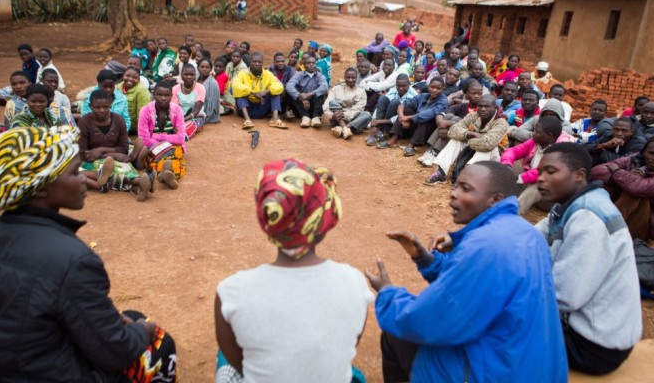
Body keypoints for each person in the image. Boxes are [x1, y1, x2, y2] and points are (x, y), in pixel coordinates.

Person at [0, 125, 176, 382]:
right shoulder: (73, 259)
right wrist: (145, 331)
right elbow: (116, 351)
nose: (85, 180)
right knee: (160, 343)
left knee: (128, 317)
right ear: (41, 188)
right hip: (51, 373)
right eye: (75, 174)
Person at [366, 161, 567, 382]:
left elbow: (431, 320)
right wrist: (424, 259)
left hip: (498, 370)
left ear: (495, 199)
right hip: (527, 362)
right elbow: (478, 283)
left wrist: (387, 293)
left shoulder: (487, 244)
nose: (453, 194)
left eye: (466, 188)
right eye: (455, 186)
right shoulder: (526, 233)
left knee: (397, 332)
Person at [215, 158, 372, 383]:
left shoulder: (230, 294)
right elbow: (350, 345)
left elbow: (240, 363)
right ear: (323, 223)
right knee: (353, 374)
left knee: (224, 357)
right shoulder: (355, 284)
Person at [535, 142, 642, 375]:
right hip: (581, 329)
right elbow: (528, 239)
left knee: (496, 327)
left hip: (593, 345)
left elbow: (564, 295)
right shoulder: (568, 207)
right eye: (540, 172)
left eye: (550, 172)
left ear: (579, 175)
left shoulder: (589, 217)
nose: (540, 178)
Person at [591, 132, 654, 240]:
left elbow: (639, 188)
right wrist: (624, 177)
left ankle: (603, 228)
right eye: (652, 153)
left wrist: (619, 173)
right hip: (626, 215)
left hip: (649, 225)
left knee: (634, 192)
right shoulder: (634, 159)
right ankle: (594, 219)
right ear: (644, 152)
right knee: (605, 184)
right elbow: (596, 171)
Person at [77, 90, 152, 201]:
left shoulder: (118, 120)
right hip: (92, 162)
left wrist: (101, 150)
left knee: (122, 165)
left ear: (111, 104)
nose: (102, 110)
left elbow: (123, 148)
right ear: (90, 106)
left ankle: (138, 188)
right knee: (110, 167)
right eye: (97, 107)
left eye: (106, 107)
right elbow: (83, 154)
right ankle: (138, 183)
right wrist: (112, 154)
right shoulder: (84, 123)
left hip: (114, 156)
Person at [425, 95, 508, 185]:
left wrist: (468, 140)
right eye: (480, 106)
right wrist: (469, 134)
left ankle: (467, 179)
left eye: (487, 106)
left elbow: (488, 144)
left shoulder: (501, 122)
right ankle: (441, 172)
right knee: (456, 140)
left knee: (487, 148)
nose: (483, 109)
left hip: (494, 156)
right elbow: (453, 130)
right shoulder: (474, 115)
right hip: (474, 147)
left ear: (495, 107)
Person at [501, 116, 574, 214]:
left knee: (540, 183)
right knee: (506, 166)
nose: (533, 134)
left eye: (537, 131)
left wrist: (519, 178)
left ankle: (512, 214)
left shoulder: (559, 151)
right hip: (528, 184)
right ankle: (497, 196)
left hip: (550, 197)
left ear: (549, 136)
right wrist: (506, 166)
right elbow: (514, 151)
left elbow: (542, 173)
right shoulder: (536, 141)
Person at [418, 80, 483, 167]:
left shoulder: (482, 109)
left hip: (467, 138)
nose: (476, 96)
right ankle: (432, 151)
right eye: (473, 93)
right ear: (467, 94)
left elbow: (471, 126)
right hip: (455, 134)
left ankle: (434, 153)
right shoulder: (462, 106)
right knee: (448, 116)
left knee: (454, 119)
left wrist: (448, 123)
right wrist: (442, 126)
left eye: (479, 94)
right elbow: (440, 114)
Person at [377, 77, 448, 156]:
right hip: (415, 127)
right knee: (407, 109)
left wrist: (407, 118)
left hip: (427, 131)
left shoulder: (443, 101)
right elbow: (403, 104)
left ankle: (411, 145)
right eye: (432, 87)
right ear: (428, 86)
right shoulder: (423, 96)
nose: (434, 90)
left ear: (443, 88)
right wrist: (401, 117)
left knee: (425, 118)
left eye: (438, 88)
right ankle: (393, 139)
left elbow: (428, 114)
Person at [138, 80, 187, 189]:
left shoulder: (177, 110)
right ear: (153, 94)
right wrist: (162, 146)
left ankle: (165, 175)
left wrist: (158, 137)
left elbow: (181, 138)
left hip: (171, 146)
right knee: (158, 158)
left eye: (167, 95)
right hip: (153, 146)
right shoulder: (145, 111)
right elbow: (144, 139)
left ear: (171, 96)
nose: (163, 98)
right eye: (159, 95)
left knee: (175, 158)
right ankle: (167, 175)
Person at [232, 52, 285, 130]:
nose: (257, 64)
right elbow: (235, 85)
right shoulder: (243, 73)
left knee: (275, 93)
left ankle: (275, 119)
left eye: (259, 62)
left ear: (262, 63)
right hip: (247, 109)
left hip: (262, 108)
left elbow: (280, 86)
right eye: (255, 61)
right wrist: (252, 92)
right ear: (250, 62)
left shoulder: (268, 74)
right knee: (240, 94)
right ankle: (247, 120)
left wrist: (266, 91)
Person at [365, 74, 418, 146]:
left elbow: (403, 116)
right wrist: (374, 121)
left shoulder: (414, 96)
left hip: (402, 126)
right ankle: (378, 130)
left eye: (404, 86)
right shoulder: (393, 90)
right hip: (387, 121)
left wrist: (379, 121)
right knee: (383, 98)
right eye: (398, 86)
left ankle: (384, 133)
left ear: (409, 84)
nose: (401, 88)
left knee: (394, 102)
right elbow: (381, 106)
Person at [323, 67, 370, 139]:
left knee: (367, 114)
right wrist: (332, 116)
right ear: (344, 78)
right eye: (348, 77)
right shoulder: (336, 89)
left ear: (356, 78)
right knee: (332, 102)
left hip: (353, 120)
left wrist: (344, 114)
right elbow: (326, 106)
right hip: (337, 119)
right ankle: (345, 128)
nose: (350, 80)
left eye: (353, 78)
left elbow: (357, 110)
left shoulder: (361, 92)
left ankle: (343, 128)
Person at [286, 56, 329, 128]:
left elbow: (324, 87)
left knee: (320, 93)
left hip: (315, 106)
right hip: (301, 106)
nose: (311, 64)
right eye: (308, 63)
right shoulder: (299, 75)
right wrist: (301, 97)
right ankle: (305, 117)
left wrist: (308, 94)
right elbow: (289, 86)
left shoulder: (320, 75)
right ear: (304, 65)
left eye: (313, 63)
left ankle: (316, 118)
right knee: (292, 93)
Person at [510, 97, 576, 144]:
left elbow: (558, 141)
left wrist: (539, 136)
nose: (549, 117)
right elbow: (518, 131)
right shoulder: (537, 119)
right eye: (546, 114)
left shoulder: (565, 124)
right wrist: (535, 136)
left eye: (552, 115)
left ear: (559, 116)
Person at [172, 63, 207, 134]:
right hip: (180, 117)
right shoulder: (175, 89)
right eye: (186, 74)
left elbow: (196, 110)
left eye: (192, 75)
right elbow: (175, 109)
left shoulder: (201, 88)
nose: (189, 77)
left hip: (196, 117)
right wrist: (178, 120)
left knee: (187, 127)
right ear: (181, 75)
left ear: (195, 75)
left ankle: (180, 136)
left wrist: (183, 120)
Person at [117, 66, 152, 134]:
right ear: (123, 75)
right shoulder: (119, 87)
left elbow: (142, 114)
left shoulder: (142, 90)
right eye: (127, 75)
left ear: (139, 79)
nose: (130, 79)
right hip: (119, 126)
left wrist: (141, 133)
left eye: (134, 77)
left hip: (134, 129)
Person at [196, 58, 222, 124]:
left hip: (206, 112)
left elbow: (212, 105)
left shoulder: (213, 83)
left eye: (207, 67)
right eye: (202, 67)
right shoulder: (195, 79)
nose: (204, 69)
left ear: (210, 69)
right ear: (198, 68)